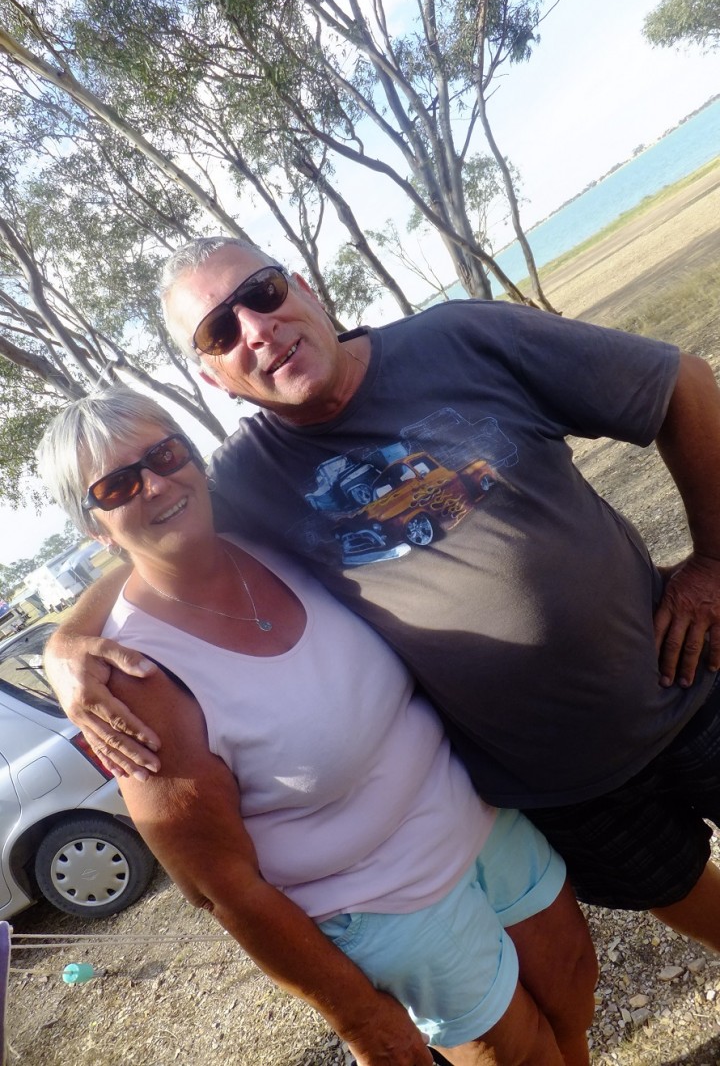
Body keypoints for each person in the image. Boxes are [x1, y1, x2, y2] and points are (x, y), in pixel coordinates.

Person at [46, 237, 720, 959]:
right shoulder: (246, 480)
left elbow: (681, 383)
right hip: (560, 784)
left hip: (688, 681)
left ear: (304, 288)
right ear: (215, 376)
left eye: (262, 293)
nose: (256, 329)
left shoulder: (461, 339)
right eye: (220, 332)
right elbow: (158, 536)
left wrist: (713, 563)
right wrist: (66, 640)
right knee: (682, 893)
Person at [36, 387, 597, 1066]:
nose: (155, 483)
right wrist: (358, 1017)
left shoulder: (268, 533)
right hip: (380, 899)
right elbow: (221, 887)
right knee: (522, 1055)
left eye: (164, 454)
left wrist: (59, 638)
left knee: (574, 989)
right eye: (117, 485)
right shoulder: (136, 679)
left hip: (476, 813)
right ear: (96, 529)